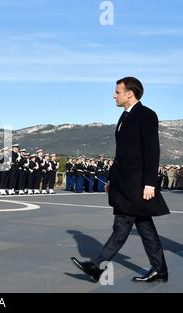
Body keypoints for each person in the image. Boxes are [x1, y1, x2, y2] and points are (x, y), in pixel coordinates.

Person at [71, 77, 170, 283]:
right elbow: (121, 154)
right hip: (124, 182)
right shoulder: (124, 117)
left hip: (137, 184)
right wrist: (111, 179)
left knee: (122, 225)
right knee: (145, 227)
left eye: (117, 92)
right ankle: (159, 269)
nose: (114, 95)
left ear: (130, 93)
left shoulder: (146, 115)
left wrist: (150, 183)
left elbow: (152, 151)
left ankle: (97, 265)